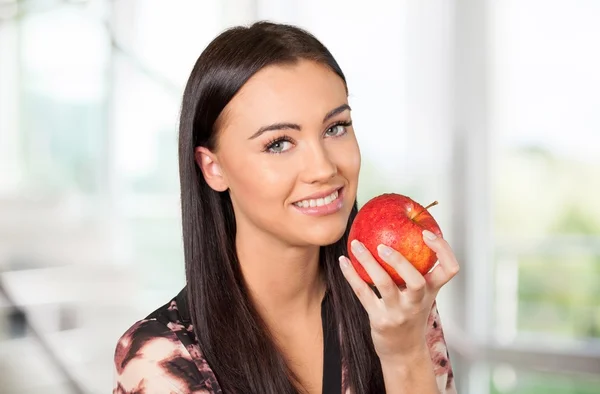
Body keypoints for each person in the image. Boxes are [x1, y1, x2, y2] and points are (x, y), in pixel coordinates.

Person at [113, 21, 459, 394]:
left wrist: (404, 353)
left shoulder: (397, 307)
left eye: (335, 128)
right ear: (213, 168)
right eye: (278, 143)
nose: (324, 168)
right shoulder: (162, 359)